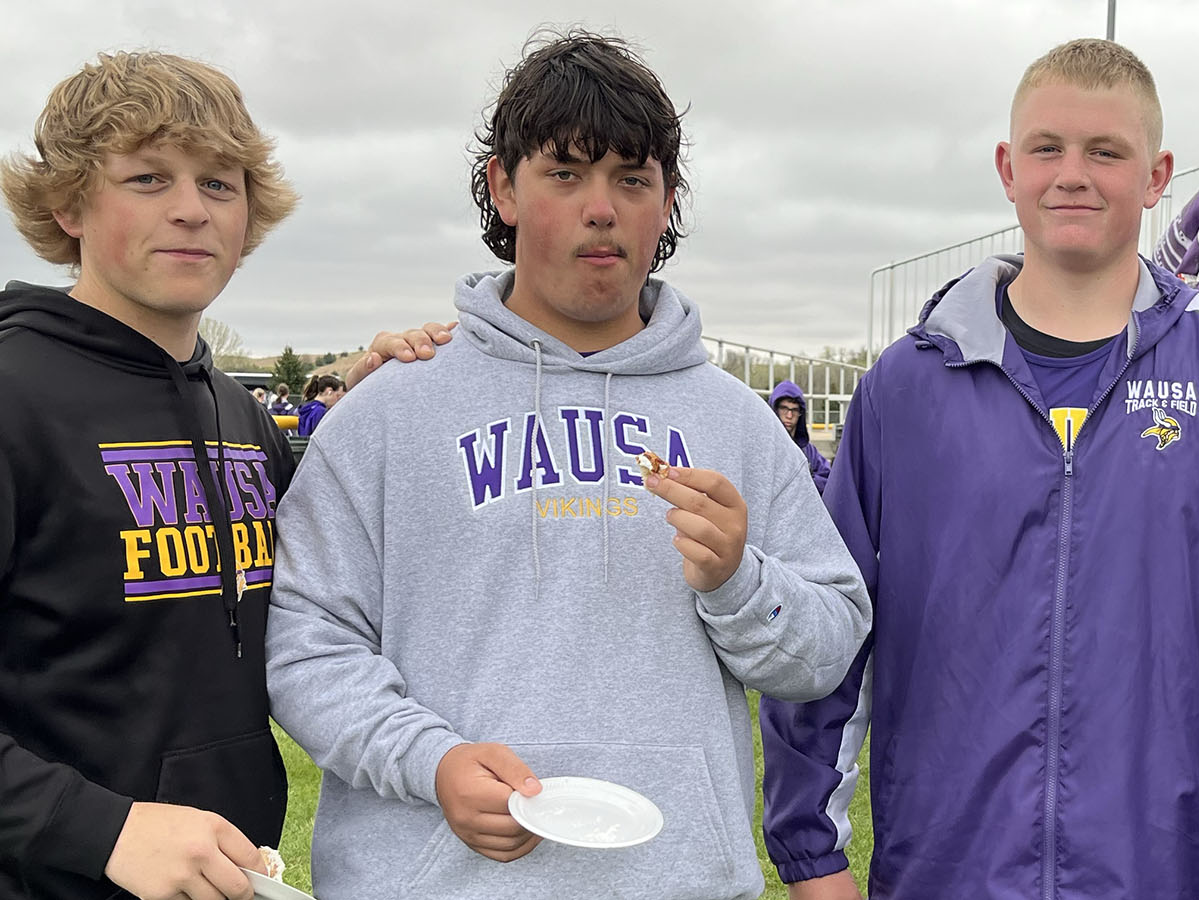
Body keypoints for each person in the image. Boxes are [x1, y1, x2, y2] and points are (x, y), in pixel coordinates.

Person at [0, 51, 448, 900]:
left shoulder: (239, 416)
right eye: (149, 178)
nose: (192, 210)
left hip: (226, 880)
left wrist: (364, 424)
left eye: (220, 184)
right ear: (68, 203)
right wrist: (104, 828)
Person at [263, 30, 871, 900]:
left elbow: (828, 646)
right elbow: (307, 644)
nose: (602, 207)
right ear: (502, 187)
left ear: (666, 202)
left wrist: (740, 580)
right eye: (565, 173)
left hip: (674, 881)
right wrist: (430, 762)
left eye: (633, 178)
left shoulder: (735, 422)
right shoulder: (390, 415)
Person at [760, 38, 1199, 900]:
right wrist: (812, 857)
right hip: (947, 873)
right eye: (1048, 148)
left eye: (1106, 151)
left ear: (1156, 176)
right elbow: (835, 631)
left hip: (1162, 875)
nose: (1074, 174)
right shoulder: (908, 385)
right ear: (1008, 166)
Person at [768, 380, 830, 493]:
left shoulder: (809, 451)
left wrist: (805, 482)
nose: (789, 415)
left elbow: (828, 478)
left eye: (795, 410)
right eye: (784, 408)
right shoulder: (764, 448)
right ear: (774, 409)